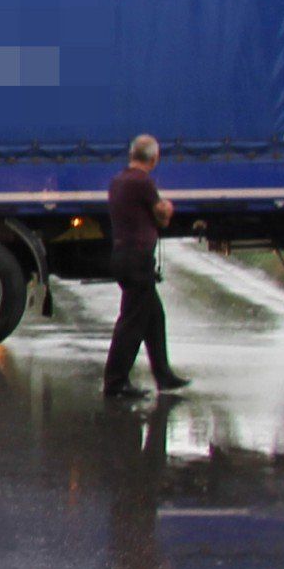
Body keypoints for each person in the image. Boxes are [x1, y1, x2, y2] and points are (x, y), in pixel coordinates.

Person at [102, 132, 189, 396]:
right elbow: (161, 215)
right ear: (154, 158)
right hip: (137, 259)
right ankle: (115, 382)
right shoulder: (142, 182)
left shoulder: (119, 180)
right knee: (132, 322)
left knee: (154, 317)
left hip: (124, 255)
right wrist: (168, 208)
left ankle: (164, 375)